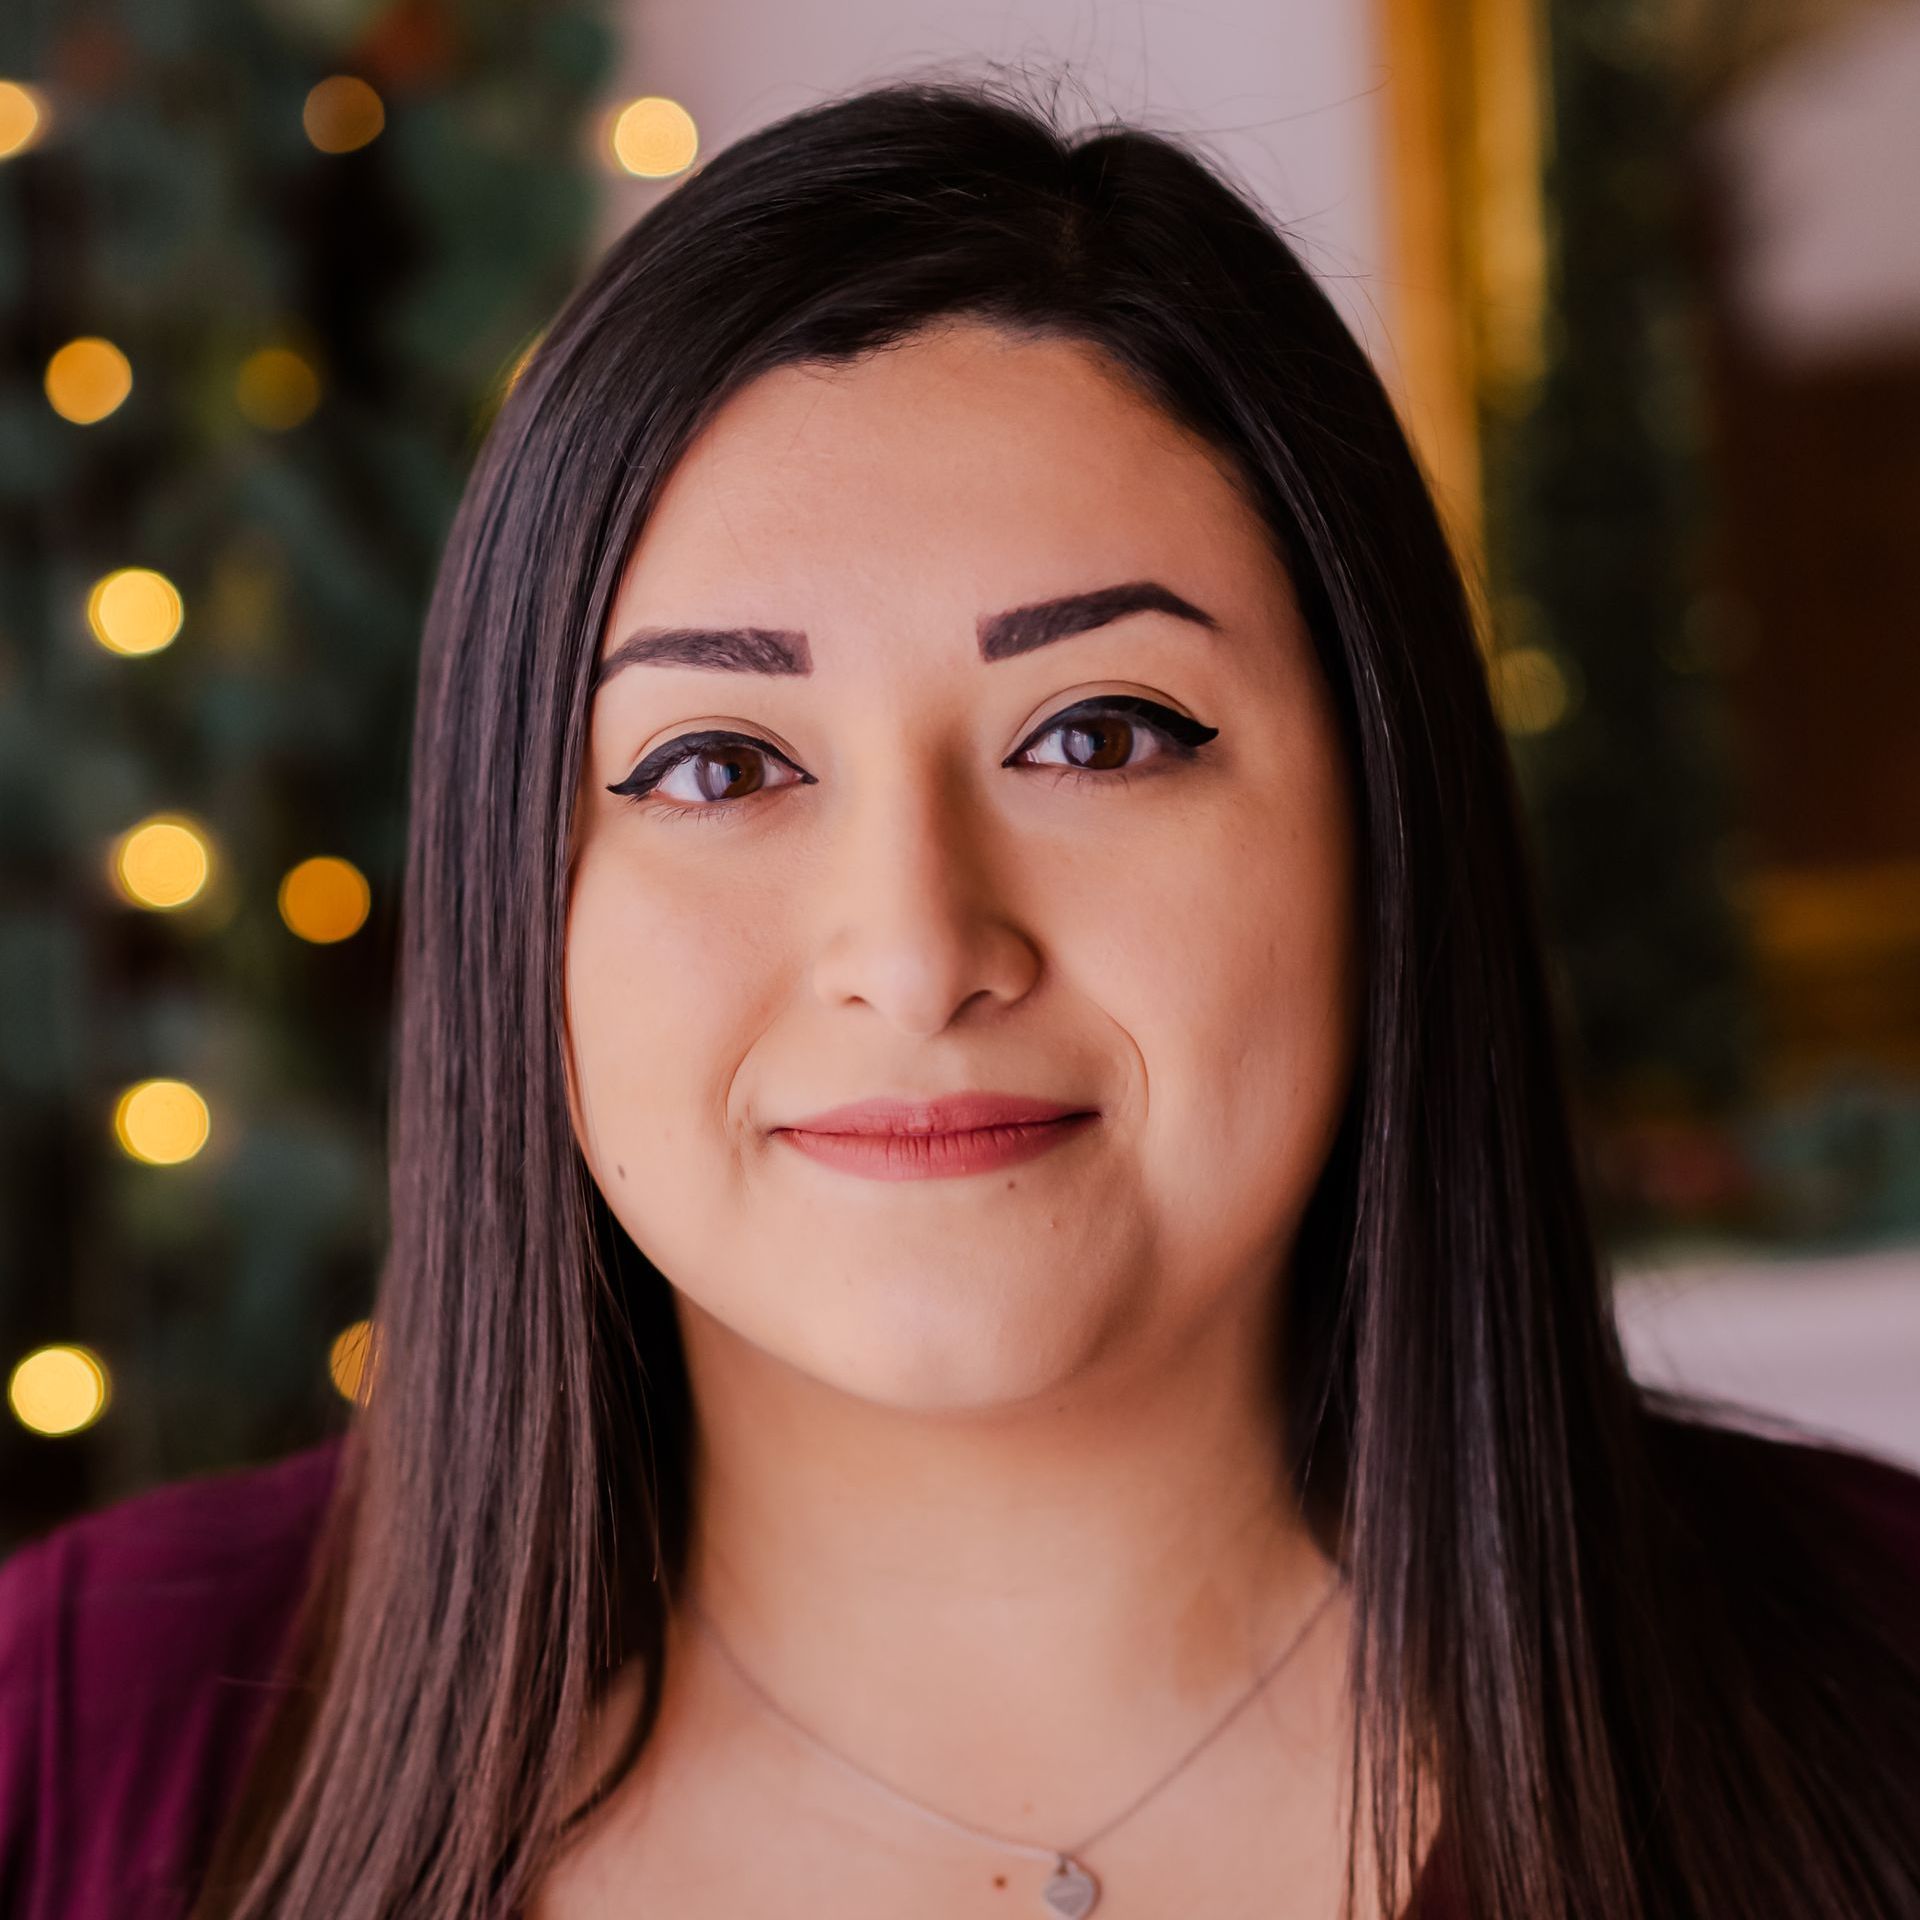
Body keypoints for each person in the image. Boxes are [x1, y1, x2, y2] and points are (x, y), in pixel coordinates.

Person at [3, 71, 1918, 1920]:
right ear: (520, 905)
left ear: (1381, 816)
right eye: (715, 766)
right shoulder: (70, 1747)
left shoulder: (1883, 1698)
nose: (918, 955)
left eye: (1096, 735)